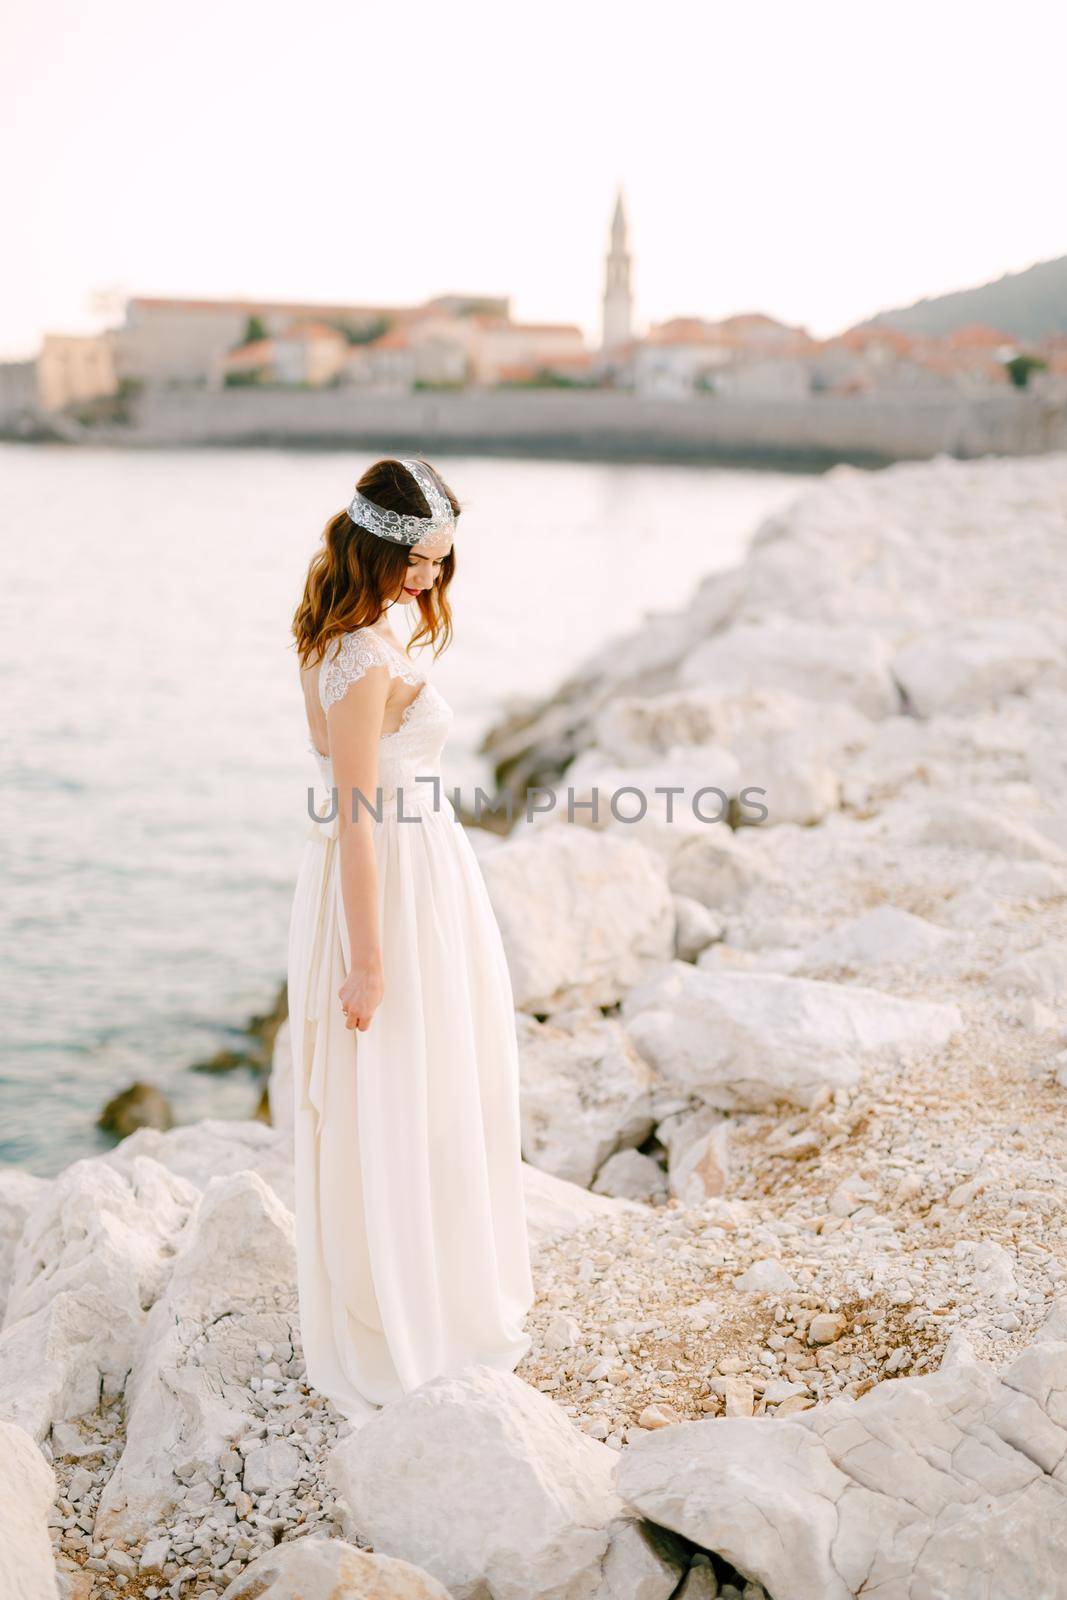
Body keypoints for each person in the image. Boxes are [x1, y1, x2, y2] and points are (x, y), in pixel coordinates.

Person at [287, 456, 534, 1422]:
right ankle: (400, 1308)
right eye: (421, 559)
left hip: (424, 863)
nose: (430, 578)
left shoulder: (362, 632)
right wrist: (369, 956)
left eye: (441, 561)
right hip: (384, 878)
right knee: (395, 1086)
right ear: (380, 546)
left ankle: (434, 1278)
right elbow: (352, 811)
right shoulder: (354, 655)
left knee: (443, 1080)